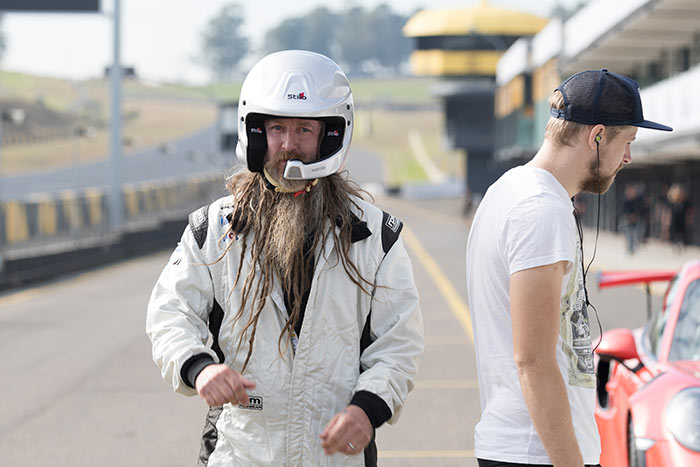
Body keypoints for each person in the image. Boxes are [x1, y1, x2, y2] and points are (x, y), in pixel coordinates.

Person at [146, 50, 424, 467]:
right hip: (238, 452)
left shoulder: (374, 236)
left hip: (336, 454)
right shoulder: (215, 228)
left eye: (303, 130)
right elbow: (170, 313)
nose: (288, 145)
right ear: (256, 132)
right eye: (277, 128)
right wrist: (199, 368)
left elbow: (399, 344)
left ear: (331, 135)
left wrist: (367, 409)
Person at [466, 69, 672, 467]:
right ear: (596, 136)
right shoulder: (539, 211)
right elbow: (534, 361)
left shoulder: (508, 190)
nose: (628, 156)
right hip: (537, 453)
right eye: (626, 141)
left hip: (527, 449)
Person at [621, 184, 644, 254]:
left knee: (635, 234)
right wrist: (629, 216)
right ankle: (630, 248)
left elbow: (639, 211)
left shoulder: (637, 201)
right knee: (629, 234)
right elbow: (624, 211)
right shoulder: (626, 202)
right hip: (628, 221)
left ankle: (634, 248)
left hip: (636, 221)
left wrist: (635, 216)